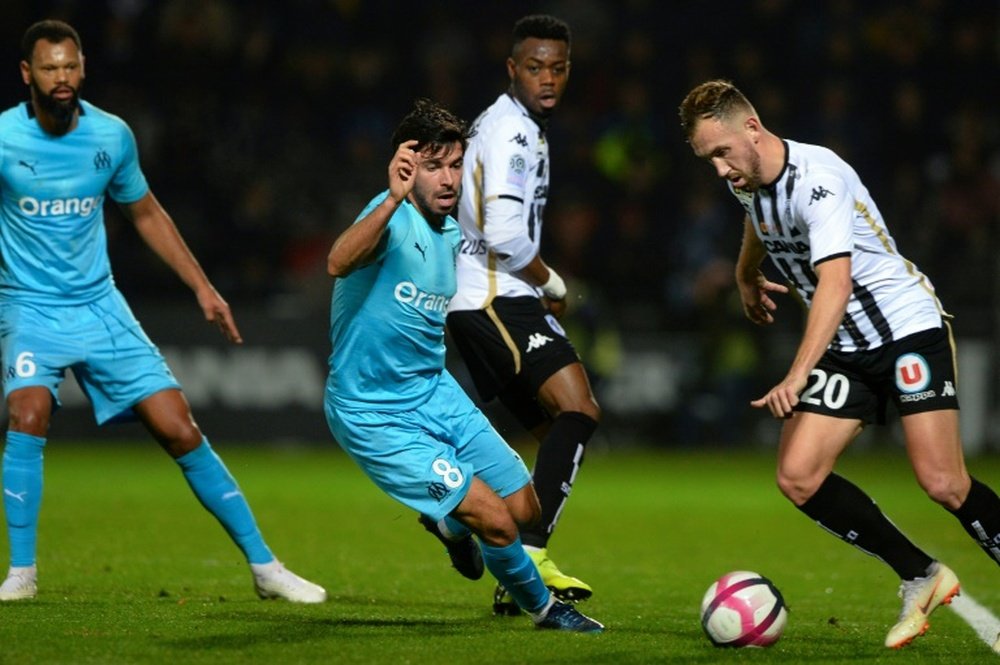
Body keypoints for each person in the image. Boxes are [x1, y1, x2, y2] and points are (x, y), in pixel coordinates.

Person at [0, 19, 325, 603]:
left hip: (101, 306)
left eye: (71, 66)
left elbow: (146, 213)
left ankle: (265, 567)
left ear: (83, 67)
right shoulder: (3, 138)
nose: (62, 77)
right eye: (50, 68)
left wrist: (202, 287)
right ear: (27, 74)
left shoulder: (111, 135)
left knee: (179, 427)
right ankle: (21, 573)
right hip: (31, 309)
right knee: (26, 416)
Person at [679, 79, 1000, 649]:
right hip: (849, 347)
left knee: (944, 482)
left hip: (905, 329)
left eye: (723, 152)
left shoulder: (819, 178)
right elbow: (757, 220)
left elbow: (835, 281)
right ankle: (921, 575)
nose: (720, 170)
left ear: (752, 128)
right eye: (709, 159)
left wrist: (798, 373)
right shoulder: (747, 178)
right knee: (798, 476)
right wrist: (745, 273)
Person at [324, 98, 602, 633]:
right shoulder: (387, 216)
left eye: (455, 164)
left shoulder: (450, 235)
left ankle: (450, 524)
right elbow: (338, 262)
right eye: (434, 166)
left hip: (435, 393)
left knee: (526, 512)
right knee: (497, 524)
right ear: (406, 167)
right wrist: (390, 198)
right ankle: (544, 609)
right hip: (374, 412)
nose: (449, 177)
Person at [446, 14, 600, 615]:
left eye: (557, 68)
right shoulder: (513, 132)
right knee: (579, 409)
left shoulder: (505, 122)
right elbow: (505, 232)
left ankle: (463, 525)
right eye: (535, 67)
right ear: (513, 69)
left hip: (478, 299)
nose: (548, 78)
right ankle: (528, 557)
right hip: (493, 295)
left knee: (551, 436)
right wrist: (554, 281)